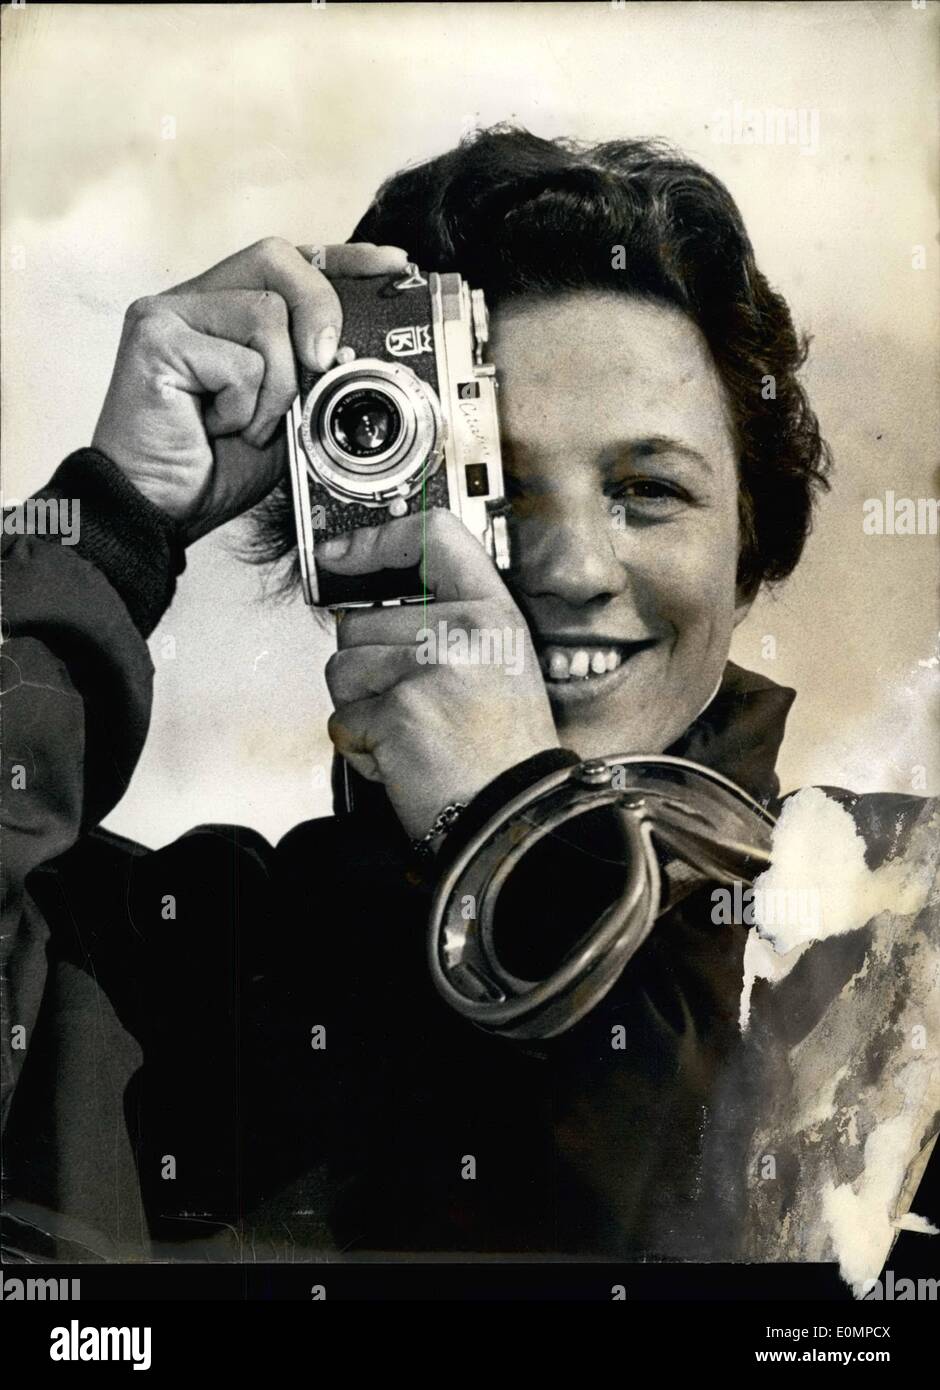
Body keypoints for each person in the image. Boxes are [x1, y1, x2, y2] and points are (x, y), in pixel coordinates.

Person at [2, 127, 936, 1275]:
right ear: (347, 518)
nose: (573, 568)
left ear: (750, 547)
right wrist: (108, 529)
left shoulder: (894, 931)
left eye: (648, 489)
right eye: (494, 486)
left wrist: (522, 844)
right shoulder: (178, 968)